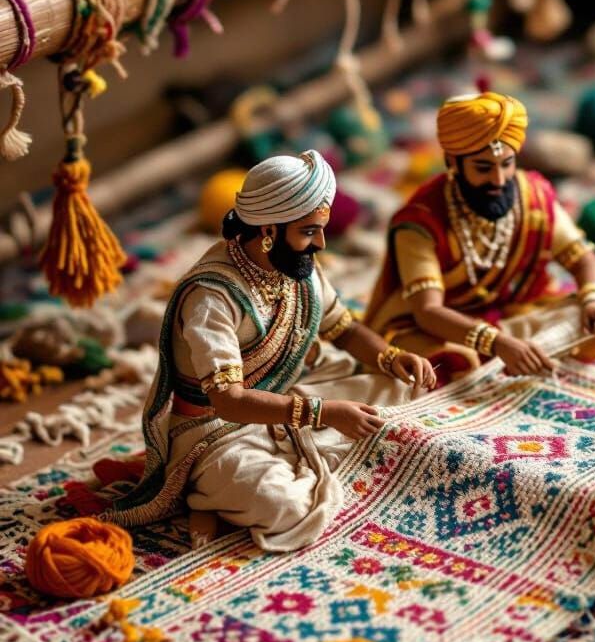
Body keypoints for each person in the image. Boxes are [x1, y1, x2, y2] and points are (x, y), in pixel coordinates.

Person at [109, 150, 436, 551]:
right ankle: (202, 493)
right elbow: (228, 401)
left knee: (407, 389)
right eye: (309, 231)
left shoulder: (295, 264)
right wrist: (324, 413)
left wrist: (390, 356)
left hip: (288, 396)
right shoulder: (212, 297)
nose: (321, 242)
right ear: (268, 229)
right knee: (287, 506)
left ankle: (292, 461)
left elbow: (344, 329)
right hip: (217, 434)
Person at [363, 91, 595, 377]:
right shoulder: (421, 221)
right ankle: (512, 357)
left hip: (521, 315)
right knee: (426, 360)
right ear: (453, 162)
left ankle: (517, 357)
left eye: (507, 164)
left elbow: (581, 258)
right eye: (483, 168)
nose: (498, 179)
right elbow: (428, 312)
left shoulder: (533, 196)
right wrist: (497, 343)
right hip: (449, 329)